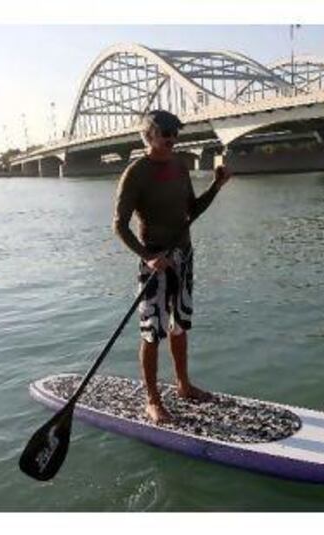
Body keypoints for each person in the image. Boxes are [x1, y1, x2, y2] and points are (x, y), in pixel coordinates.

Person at [113, 110, 231, 425]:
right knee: (152, 332)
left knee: (180, 325)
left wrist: (216, 187)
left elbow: (191, 212)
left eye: (175, 133)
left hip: (183, 257)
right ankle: (152, 400)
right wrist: (147, 256)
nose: (172, 138)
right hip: (154, 262)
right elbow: (119, 226)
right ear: (149, 135)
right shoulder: (135, 173)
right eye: (166, 132)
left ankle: (183, 385)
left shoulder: (180, 166)